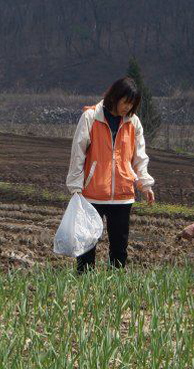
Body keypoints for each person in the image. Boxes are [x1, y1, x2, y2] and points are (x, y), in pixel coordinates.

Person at [66, 77, 155, 273]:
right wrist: (75, 186)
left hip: (123, 195)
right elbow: (78, 153)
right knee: (87, 242)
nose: (128, 107)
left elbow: (140, 155)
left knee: (119, 246)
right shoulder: (91, 117)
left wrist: (145, 184)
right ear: (115, 97)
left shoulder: (133, 122)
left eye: (132, 104)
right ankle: (84, 279)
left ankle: (116, 283)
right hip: (93, 192)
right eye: (126, 102)